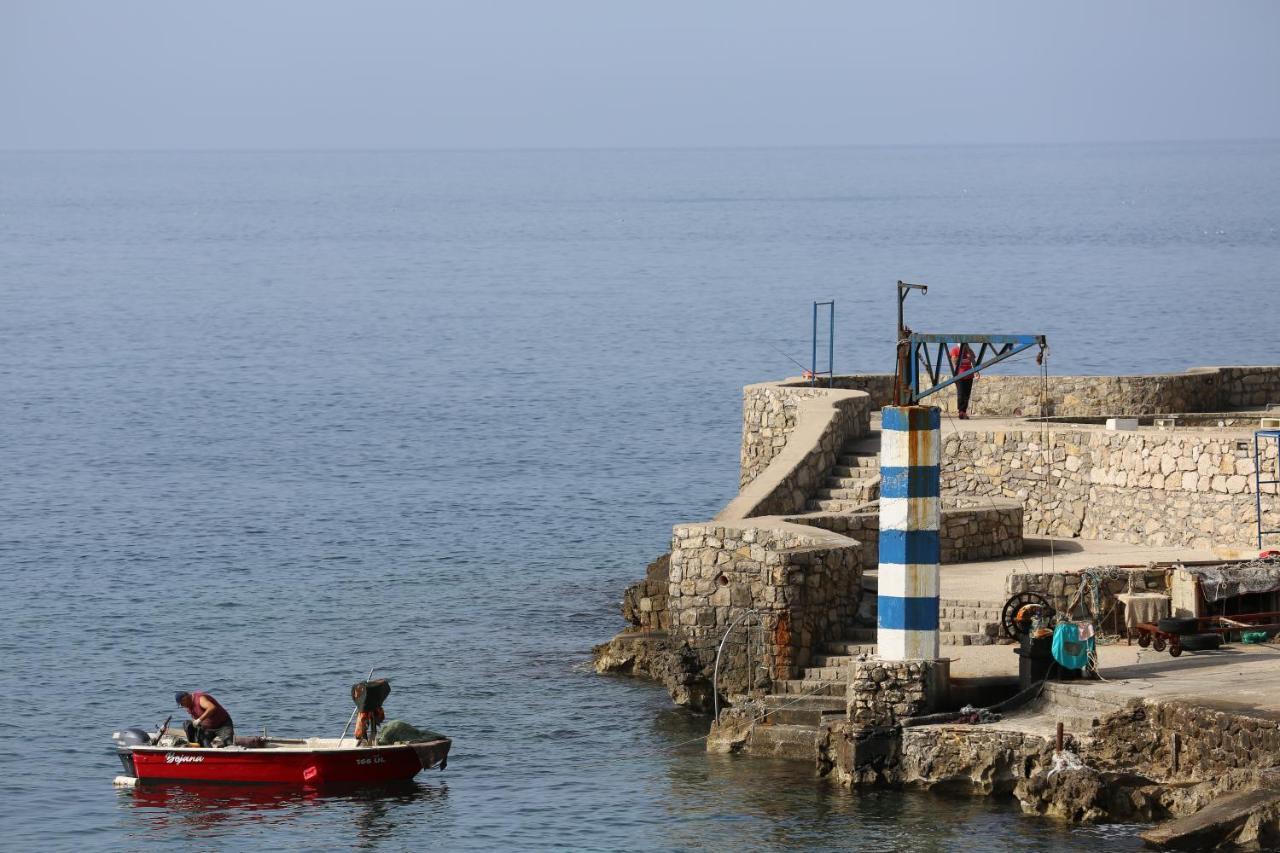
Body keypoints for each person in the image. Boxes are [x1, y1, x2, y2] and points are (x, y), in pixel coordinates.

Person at [950, 343, 978, 419]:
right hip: (959, 376)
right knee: (961, 393)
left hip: (969, 376)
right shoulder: (955, 350)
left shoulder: (969, 350)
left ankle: (964, 411)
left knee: (967, 394)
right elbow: (954, 361)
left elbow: (973, 361)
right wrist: (961, 355)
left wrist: (977, 371)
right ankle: (961, 411)